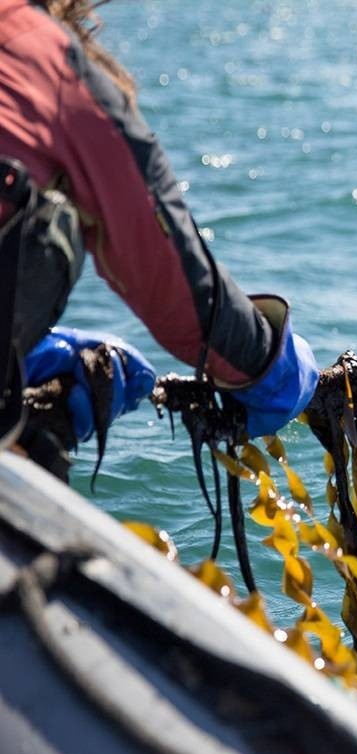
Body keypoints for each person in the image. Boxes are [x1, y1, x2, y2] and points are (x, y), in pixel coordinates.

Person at [0, 0, 318, 475]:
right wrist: (266, 363)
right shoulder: (39, 53)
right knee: (51, 220)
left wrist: (26, 352)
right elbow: (169, 277)